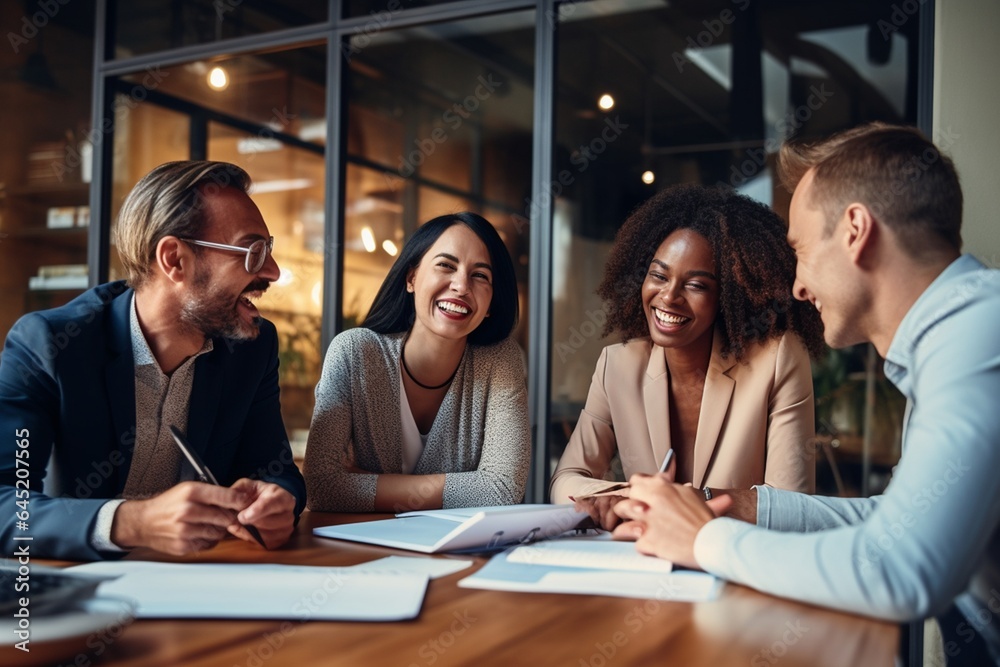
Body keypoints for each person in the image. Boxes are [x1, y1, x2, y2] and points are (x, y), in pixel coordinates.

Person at [613, 123, 1000, 665]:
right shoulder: (958, 335)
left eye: (800, 248)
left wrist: (703, 542)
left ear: (855, 230)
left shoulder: (980, 333)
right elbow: (900, 520)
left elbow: (900, 570)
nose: (796, 285)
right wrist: (753, 507)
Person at [0, 161, 306, 561]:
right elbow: (6, 503)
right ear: (175, 260)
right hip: (72, 589)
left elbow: (275, 466)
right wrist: (133, 522)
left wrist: (279, 499)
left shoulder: (252, 346)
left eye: (268, 248)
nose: (273, 271)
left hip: (204, 578)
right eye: (252, 251)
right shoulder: (50, 344)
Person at [550, 184, 825, 529]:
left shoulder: (777, 360)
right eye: (658, 275)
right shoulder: (617, 365)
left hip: (734, 561)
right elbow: (566, 479)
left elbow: (792, 503)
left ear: (728, 296)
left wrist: (694, 501)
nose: (669, 297)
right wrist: (630, 496)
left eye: (696, 285)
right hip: (643, 560)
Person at [305, 212, 529, 512]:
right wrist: (469, 485)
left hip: (458, 551)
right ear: (411, 278)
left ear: (490, 306)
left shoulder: (501, 361)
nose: (461, 286)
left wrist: (365, 483)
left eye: (480, 275)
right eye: (446, 266)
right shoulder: (354, 353)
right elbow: (319, 487)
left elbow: (501, 490)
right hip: (364, 545)